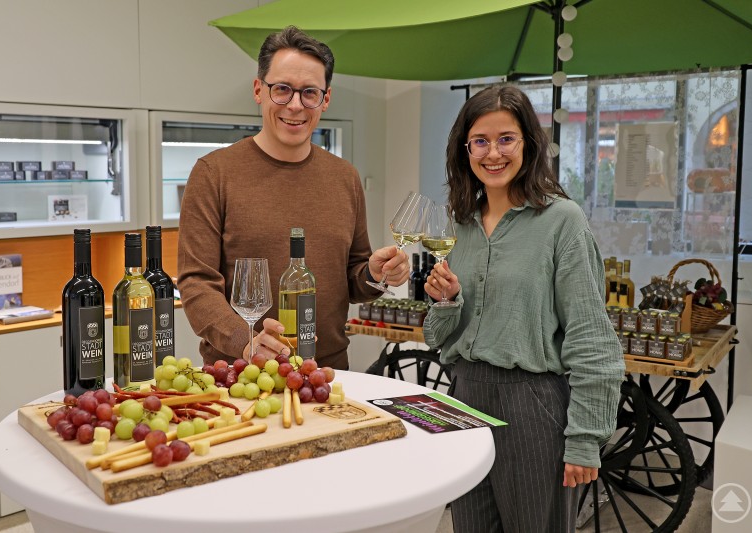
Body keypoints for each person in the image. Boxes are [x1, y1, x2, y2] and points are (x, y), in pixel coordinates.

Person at [422, 86, 625, 533]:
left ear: (529, 145)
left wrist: (585, 439)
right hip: (464, 400)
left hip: (532, 406)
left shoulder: (562, 221)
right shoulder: (458, 224)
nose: (492, 153)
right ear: (464, 149)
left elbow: (591, 338)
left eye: (506, 139)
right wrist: (446, 302)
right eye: (480, 141)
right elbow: (437, 337)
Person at [177, 26, 408, 369]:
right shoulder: (214, 173)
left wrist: (375, 274)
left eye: (309, 93)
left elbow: (353, 279)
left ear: (325, 99)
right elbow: (197, 284)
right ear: (259, 90)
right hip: (240, 374)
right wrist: (245, 340)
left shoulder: (345, 177)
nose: (296, 105)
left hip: (326, 373)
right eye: (282, 89)